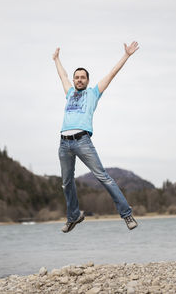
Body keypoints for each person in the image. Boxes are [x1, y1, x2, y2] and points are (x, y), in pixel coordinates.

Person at [53, 41, 139, 233]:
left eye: (83, 77)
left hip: (83, 141)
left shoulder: (93, 93)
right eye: (77, 77)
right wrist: (56, 59)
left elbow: (111, 74)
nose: (79, 80)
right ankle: (74, 216)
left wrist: (126, 55)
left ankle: (127, 214)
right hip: (64, 144)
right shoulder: (69, 92)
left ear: (87, 80)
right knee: (66, 182)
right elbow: (62, 75)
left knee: (104, 178)